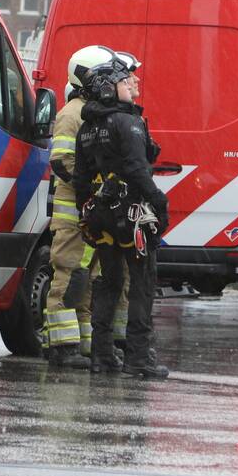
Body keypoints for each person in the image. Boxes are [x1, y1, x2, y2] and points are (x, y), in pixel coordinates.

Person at [74, 55, 170, 378]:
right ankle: (139, 358)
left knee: (109, 282)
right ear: (107, 89)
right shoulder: (126, 122)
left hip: (101, 216)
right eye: (124, 81)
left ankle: (101, 356)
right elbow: (136, 169)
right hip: (132, 216)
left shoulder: (87, 128)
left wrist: (85, 213)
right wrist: (159, 200)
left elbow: (80, 178)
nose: (130, 85)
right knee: (142, 282)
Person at [43, 46, 115, 369]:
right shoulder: (72, 114)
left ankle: (82, 344)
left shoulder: (94, 112)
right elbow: (61, 161)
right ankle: (61, 346)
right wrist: (92, 187)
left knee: (85, 279)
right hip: (73, 213)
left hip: (90, 212)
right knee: (67, 276)